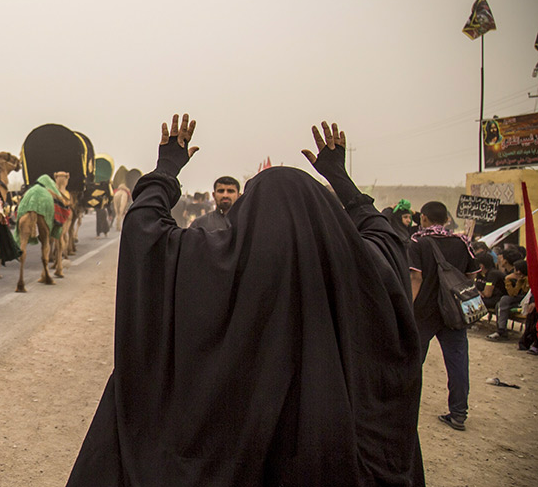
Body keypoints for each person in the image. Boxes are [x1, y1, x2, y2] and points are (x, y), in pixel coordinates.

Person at [67, 117, 422, 486]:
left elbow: (145, 233)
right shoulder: (359, 267)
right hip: (332, 455)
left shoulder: (218, 261)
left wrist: (166, 169)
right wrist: (342, 180)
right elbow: (386, 239)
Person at [408, 200, 479, 432]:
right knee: (458, 361)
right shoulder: (462, 242)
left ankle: (405, 409)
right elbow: (471, 277)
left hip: (424, 313)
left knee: (412, 361)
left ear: (424, 218)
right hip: (454, 313)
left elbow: (415, 279)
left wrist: (407, 307)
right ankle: (458, 414)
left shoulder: (418, 241)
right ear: (447, 219)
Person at [487, 259, 530, 341]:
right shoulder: (520, 280)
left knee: (504, 300)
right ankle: (501, 330)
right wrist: (507, 280)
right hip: (519, 301)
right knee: (500, 304)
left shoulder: (528, 280)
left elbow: (525, 292)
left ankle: (501, 331)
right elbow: (513, 293)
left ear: (519, 271)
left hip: (527, 301)